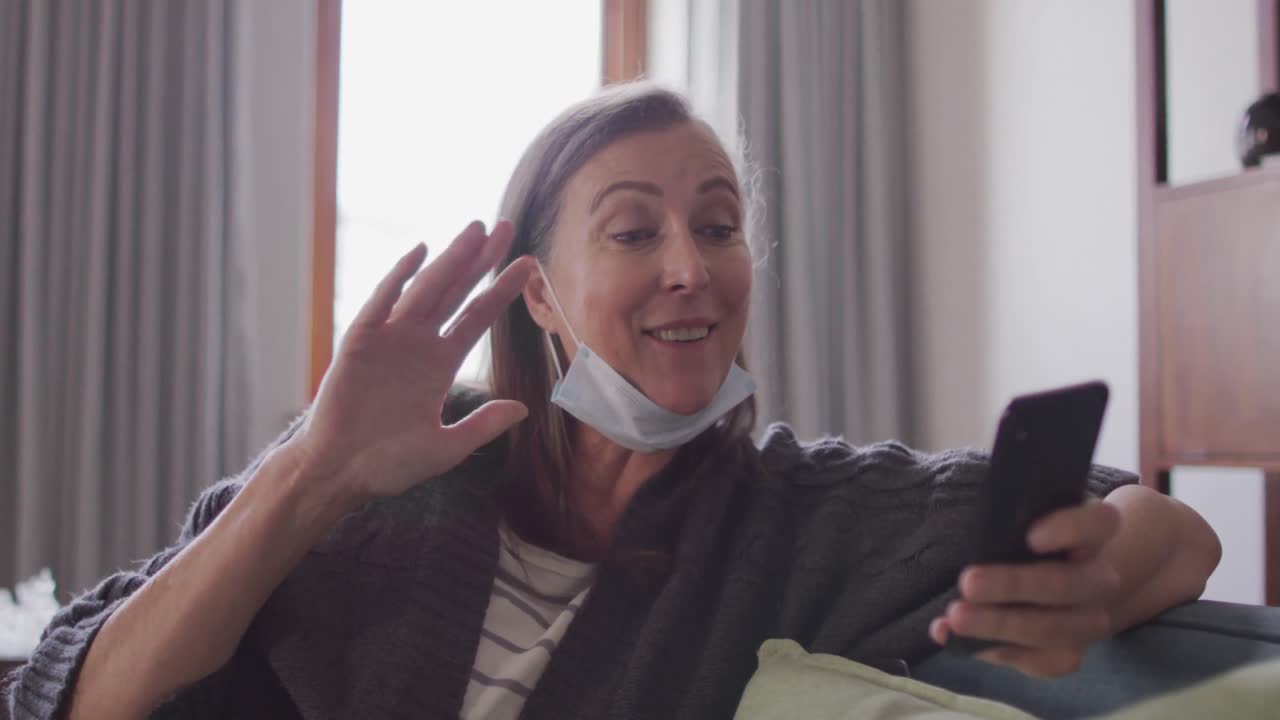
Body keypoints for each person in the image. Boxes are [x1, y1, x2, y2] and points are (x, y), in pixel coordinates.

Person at [5, 83, 1221, 720]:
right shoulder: (387, 474)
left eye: (719, 226)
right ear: (537, 292)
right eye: (634, 231)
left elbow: (1168, 529)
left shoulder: (798, 512)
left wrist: (1093, 579)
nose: (691, 267)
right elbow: (78, 696)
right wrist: (310, 475)